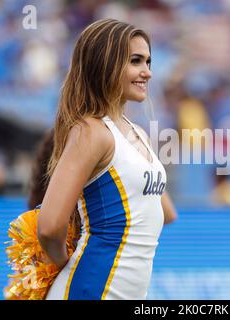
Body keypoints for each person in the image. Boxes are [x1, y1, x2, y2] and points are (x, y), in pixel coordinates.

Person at [37, 19, 177, 300]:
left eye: (149, 62)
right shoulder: (91, 131)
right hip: (90, 290)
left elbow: (167, 214)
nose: (147, 73)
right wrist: (71, 267)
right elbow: (50, 226)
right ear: (105, 64)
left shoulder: (138, 135)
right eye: (136, 61)